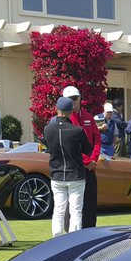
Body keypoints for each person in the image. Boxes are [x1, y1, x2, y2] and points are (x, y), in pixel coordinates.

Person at [44, 96, 90, 236]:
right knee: (75, 211)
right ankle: (74, 240)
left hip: (57, 174)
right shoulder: (77, 131)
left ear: (57, 110)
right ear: (71, 111)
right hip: (75, 174)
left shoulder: (47, 129)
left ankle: (56, 239)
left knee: (59, 209)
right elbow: (88, 149)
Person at [62, 86, 101, 228]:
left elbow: (96, 139)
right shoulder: (65, 120)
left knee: (90, 201)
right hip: (74, 167)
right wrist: (86, 161)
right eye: (69, 99)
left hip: (90, 167)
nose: (73, 102)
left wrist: (93, 159)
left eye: (75, 98)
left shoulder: (88, 117)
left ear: (79, 99)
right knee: (72, 203)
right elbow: (71, 146)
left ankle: (90, 230)